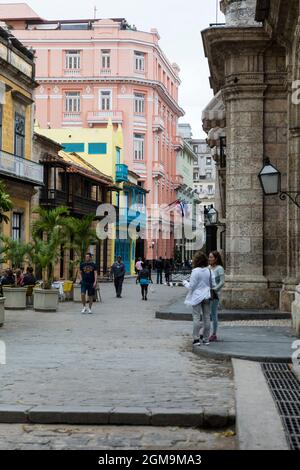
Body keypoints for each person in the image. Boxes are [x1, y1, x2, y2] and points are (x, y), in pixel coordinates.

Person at [183, 251, 215, 346]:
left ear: (196, 261)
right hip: (207, 296)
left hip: (197, 296)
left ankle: (196, 339)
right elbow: (213, 284)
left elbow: (191, 286)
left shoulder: (195, 271)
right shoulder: (209, 270)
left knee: (196, 317)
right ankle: (206, 339)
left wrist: (185, 282)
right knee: (207, 317)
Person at [209, 251, 225, 342]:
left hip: (214, 295)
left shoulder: (220, 268)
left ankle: (214, 334)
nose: (209, 259)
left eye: (211, 257)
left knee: (214, 314)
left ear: (216, 258)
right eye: (209, 257)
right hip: (207, 293)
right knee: (206, 313)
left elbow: (222, 282)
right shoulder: (208, 268)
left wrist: (214, 289)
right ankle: (206, 331)